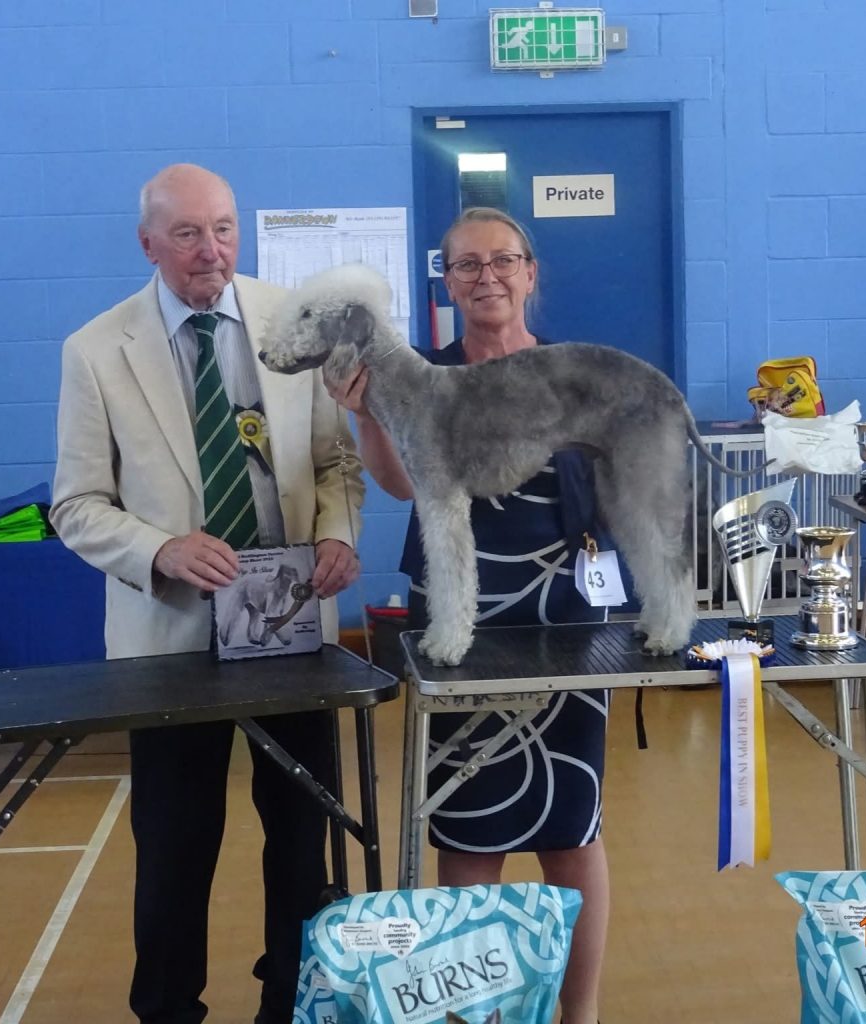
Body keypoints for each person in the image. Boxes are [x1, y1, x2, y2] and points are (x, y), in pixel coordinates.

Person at [49, 163, 365, 1024]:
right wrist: (162, 549)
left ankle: (293, 1001)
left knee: (303, 840)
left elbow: (338, 462)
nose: (210, 249)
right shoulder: (95, 350)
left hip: (293, 631)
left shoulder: (292, 327)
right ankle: (167, 1009)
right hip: (168, 643)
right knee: (177, 848)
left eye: (223, 228)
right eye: (187, 233)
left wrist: (338, 531)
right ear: (147, 242)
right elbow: (74, 506)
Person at [330, 207, 610, 1024]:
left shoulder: (578, 372)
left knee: (574, 830)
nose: (486, 276)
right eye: (466, 265)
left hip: (564, 619)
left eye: (503, 261)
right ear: (445, 282)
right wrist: (367, 414)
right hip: (460, 624)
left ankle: (579, 1014)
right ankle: (476, 1011)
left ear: (530, 273)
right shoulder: (420, 374)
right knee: (469, 828)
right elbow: (403, 488)